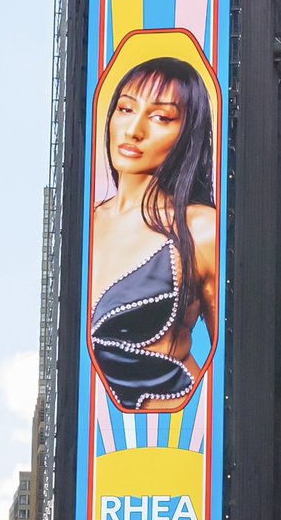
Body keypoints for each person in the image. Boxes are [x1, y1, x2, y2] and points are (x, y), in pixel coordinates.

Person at [90, 55, 217, 411]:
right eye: (126, 109)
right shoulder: (82, 228)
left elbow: (235, 359)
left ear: (187, 133)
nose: (134, 130)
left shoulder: (200, 229)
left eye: (161, 117)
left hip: (181, 447)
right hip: (93, 452)